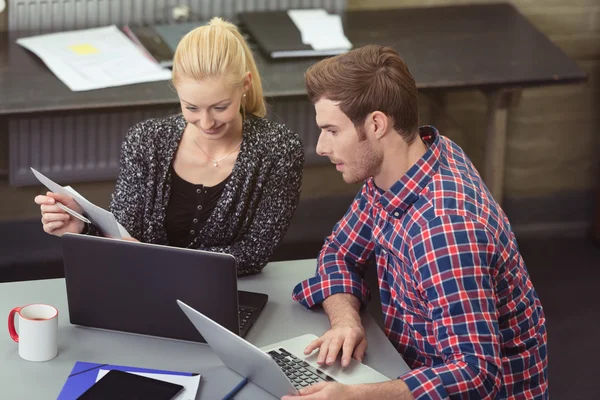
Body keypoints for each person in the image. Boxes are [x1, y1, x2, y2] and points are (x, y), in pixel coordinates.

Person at [284, 45, 547, 399]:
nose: (320, 147)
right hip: (409, 370)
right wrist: (346, 320)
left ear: (376, 124)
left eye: (332, 130)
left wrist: (356, 397)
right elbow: (339, 252)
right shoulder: (406, 166)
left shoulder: (444, 229)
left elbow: (475, 374)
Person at [34, 18, 305, 276]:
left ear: (244, 85)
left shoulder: (279, 150)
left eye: (220, 107)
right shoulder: (146, 141)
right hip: (143, 287)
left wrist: (159, 261)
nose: (206, 122)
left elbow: (253, 253)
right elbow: (124, 237)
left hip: (220, 293)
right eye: (192, 108)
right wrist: (80, 228)